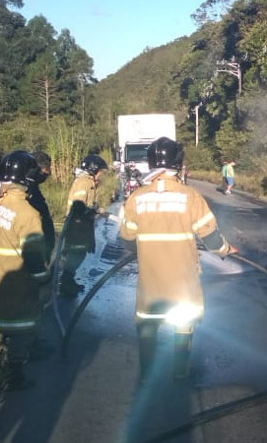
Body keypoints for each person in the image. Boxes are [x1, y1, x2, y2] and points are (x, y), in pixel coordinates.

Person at [118, 137, 236, 382]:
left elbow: (127, 235)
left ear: (151, 163)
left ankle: (147, 372)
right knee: (183, 321)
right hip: (183, 279)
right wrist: (225, 249)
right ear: (179, 164)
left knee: (148, 325)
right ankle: (180, 370)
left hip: (150, 280)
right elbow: (211, 238)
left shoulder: (136, 198)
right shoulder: (190, 196)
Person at [0, 151, 49, 389]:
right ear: (28, 180)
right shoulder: (28, 214)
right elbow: (34, 257)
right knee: (21, 329)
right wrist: (44, 281)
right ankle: (15, 377)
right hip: (18, 287)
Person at [60, 154, 108, 296]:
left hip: (82, 226)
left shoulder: (89, 182)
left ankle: (68, 281)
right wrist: (94, 211)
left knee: (77, 254)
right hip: (77, 226)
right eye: (100, 171)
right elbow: (78, 205)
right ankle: (66, 284)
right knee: (76, 255)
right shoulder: (84, 182)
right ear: (94, 169)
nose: (101, 174)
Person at [26, 151, 55, 261]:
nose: (49, 172)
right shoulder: (28, 191)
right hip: (37, 254)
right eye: (47, 169)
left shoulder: (32, 188)